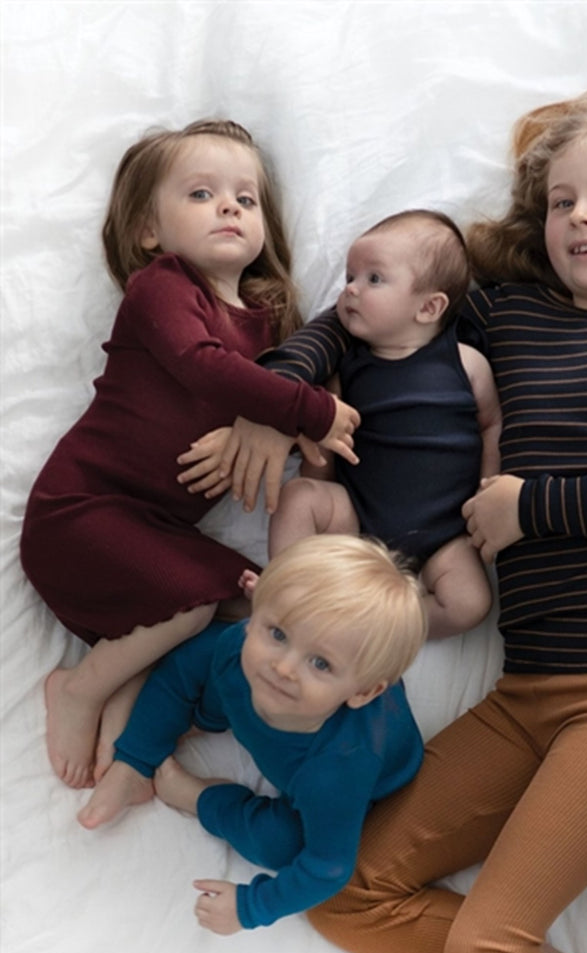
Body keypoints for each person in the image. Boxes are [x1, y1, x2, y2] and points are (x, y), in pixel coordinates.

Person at [189, 90, 587, 953]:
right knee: (344, 894)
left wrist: (532, 508)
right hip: (528, 692)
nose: (580, 216)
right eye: (562, 201)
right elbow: (373, 312)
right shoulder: (509, 317)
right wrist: (278, 398)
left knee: (489, 952)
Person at [18, 119, 361, 791]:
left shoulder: (269, 321)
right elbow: (204, 368)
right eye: (202, 194)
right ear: (149, 230)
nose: (229, 207)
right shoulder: (164, 286)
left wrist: (279, 424)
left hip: (156, 532)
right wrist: (306, 412)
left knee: (255, 603)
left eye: (245, 198)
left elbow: (301, 382)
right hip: (83, 514)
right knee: (196, 605)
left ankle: (130, 689)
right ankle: (79, 688)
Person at [77, 534, 427, 935]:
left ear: (363, 692)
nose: (283, 668)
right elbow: (177, 676)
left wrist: (250, 907)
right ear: (257, 609)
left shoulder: (338, 769)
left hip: (363, 782)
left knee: (282, 845)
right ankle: (135, 769)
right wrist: (135, 755)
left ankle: (199, 797)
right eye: (278, 634)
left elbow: (327, 867)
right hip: (253, 703)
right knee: (191, 672)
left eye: (320, 663)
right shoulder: (240, 647)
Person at [260, 209, 501, 639]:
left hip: (443, 535)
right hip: (356, 521)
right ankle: (289, 592)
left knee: (469, 603)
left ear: (428, 307)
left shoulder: (467, 364)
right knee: (299, 496)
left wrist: (488, 486)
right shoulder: (346, 369)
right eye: (350, 276)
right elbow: (326, 445)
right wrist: (319, 484)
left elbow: (491, 426)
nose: (351, 288)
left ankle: (375, 627)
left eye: (374, 278)